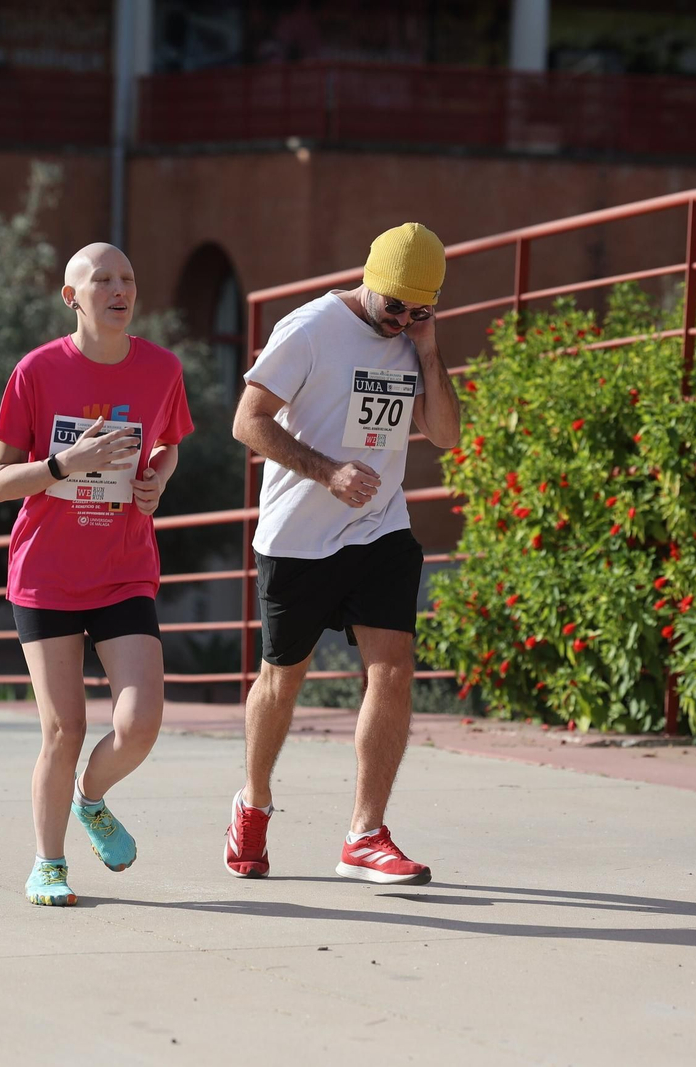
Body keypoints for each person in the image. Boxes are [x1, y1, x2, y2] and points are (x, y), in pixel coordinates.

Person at [225, 223, 461, 886]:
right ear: (370, 280)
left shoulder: (414, 340)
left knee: (392, 668)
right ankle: (253, 801)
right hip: (298, 540)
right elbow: (247, 420)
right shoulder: (309, 330)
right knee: (283, 680)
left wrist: (430, 348)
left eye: (422, 310)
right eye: (396, 308)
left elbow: (443, 434)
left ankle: (365, 832)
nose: (404, 321)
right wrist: (326, 472)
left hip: (380, 531)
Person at [0, 242, 194, 906]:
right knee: (64, 729)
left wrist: (156, 480)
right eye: (101, 279)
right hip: (47, 574)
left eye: (128, 278)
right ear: (71, 297)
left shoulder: (161, 369)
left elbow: (168, 447)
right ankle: (48, 862)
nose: (118, 288)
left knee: (140, 723)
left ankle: (91, 797)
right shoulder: (37, 371)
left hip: (122, 568)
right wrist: (63, 466)